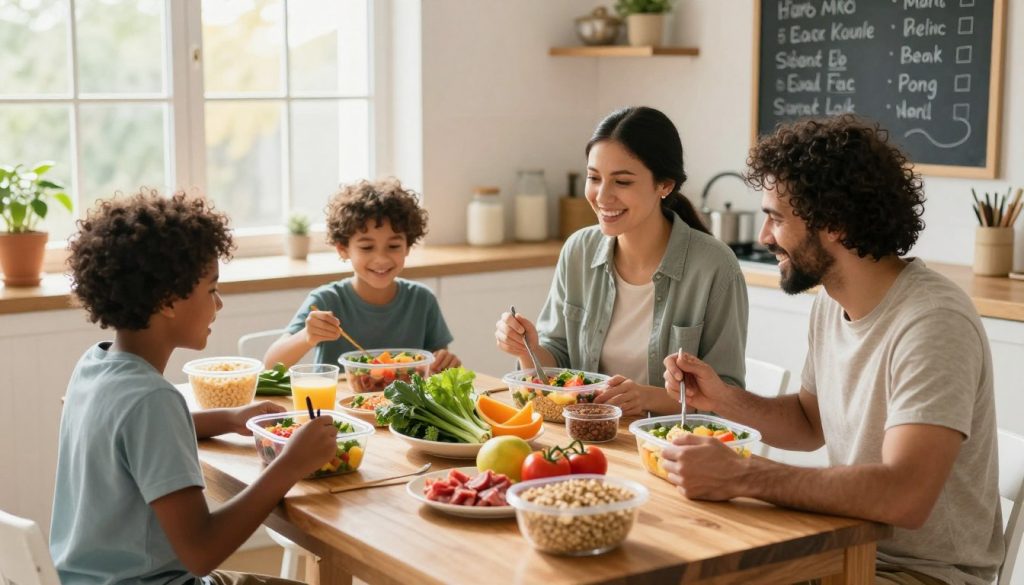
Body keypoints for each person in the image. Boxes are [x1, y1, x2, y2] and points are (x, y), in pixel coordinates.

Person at [662, 115, 1003, 585]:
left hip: (920, 575)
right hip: (844, 552)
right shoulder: (830, 302)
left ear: (836, 225)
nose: (763, 238)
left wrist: (743, 475)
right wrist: (721, 399)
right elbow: (809, 424)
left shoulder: (932, 320)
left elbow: (906, 495)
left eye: (776, 218)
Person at [52, 190, 340, 585]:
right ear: (170, 300)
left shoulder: (95, 365)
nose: (218, 304)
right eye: (211, 289)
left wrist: (228, 418)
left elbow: (135, 433)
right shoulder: (153, 400)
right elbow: (201, 552)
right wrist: (290, 464)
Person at [495, 106, 748, 415]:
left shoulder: (715, 267)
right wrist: (529, 350)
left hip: (670, 448)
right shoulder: (579, 250)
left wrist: (648, 398)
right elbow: (559, 365)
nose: (602, 195)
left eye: (622, 182)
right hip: (588, 435)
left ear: (665, 185)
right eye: (594, 177)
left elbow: (729, 396)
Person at [264, 178, 460, 372]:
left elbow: (437, 364)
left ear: (408, 246)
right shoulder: (327, 300)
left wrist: (444, 362)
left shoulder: (422, 300)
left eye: (393, 246)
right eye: (367, 247)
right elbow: (271, 365)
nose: (381, 259)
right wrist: (307, 336)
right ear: (343, 249)